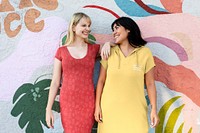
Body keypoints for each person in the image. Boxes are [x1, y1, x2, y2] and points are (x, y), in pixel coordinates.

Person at [45, 12, 111, 133]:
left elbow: (116, 48)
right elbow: (55, 82)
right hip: (68, 100)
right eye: (84, 25)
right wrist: (48, 109)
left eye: (89, 25)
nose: (88, 29)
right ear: (74, 27)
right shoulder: (61, 51)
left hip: (87, 100)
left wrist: (108, 43)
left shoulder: (93, 49)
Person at [95, 17, 160, 133]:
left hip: (136, 111)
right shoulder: (109, 52)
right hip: (110, 111)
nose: (114, 32)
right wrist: (97, 107)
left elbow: (150, 84)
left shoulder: (145, 53)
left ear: (128, 29)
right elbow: (101, 81)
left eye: (117, 27)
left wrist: (154, 109)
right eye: (112, 30)